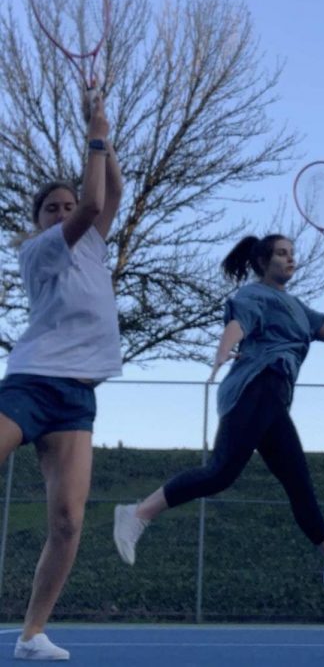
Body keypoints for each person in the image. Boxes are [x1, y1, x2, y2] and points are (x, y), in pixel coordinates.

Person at [113, 234, 324, 591]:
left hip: (272, 401)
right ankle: (137, 514)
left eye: (292, 254)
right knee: (225, 474)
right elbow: (237, 325)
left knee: (282, 484)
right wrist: (224, 350)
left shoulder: (298, 307)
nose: (290, 259)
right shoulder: (254, 295)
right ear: (261, 263)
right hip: (257, 387)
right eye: (281, 254)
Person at [0, 94, 123, 661]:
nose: (64, 210)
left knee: (70, 522)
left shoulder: (95, 246)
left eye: (66, 204)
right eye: (53, 206)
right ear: (40, 220)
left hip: (77, 398)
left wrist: (103, 132)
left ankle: (30, 635)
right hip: (31, 381)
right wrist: (94, 136)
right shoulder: (40, 251)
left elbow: (107, 195)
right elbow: (95, 201)